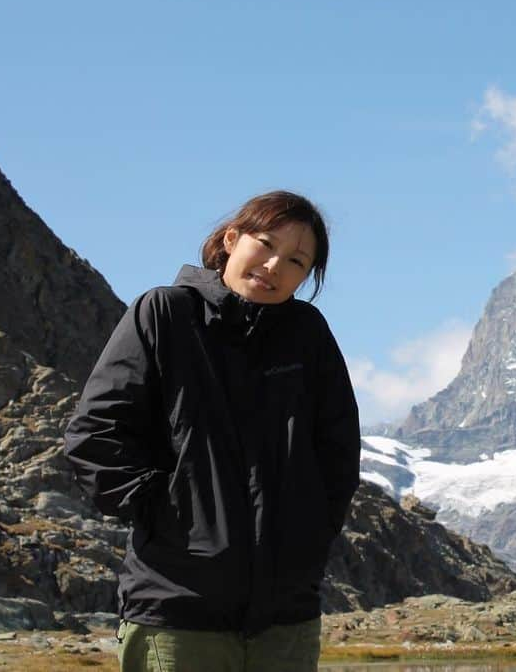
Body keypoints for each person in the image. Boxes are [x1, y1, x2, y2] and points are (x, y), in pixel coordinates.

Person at [64, 191, 361, 672]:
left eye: (295, 261)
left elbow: (338, 455)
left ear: (306, 277)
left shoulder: (309, 336)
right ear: (231, 239)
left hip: (286, 621)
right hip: (177, 611)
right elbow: (96, 434)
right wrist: (169, 515)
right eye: (264, 244)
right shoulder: (163, 314)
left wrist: (309, 538)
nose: (273, 266)